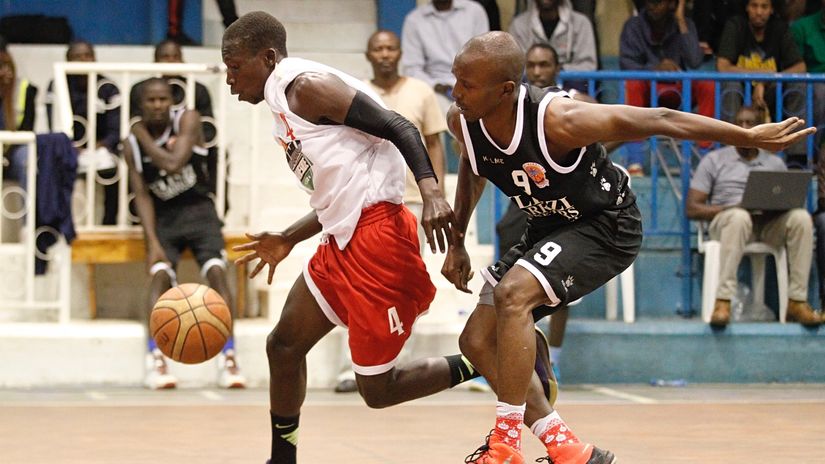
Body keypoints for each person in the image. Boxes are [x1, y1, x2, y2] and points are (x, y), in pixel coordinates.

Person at [442, 31, 815, 463]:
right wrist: (457, 243)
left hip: (607, 225)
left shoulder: (560, 120)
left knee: (512, 295)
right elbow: (474, 165)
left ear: (506, 89)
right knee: (475, 339)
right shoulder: (461, 119)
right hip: (549, 224)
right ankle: (568, 448)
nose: (456, 92)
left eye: (467, 84)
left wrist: (747, 138)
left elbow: (661, 118)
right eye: (456, 79)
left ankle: (505, 444)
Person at [222, 12, 560, 464]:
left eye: (234, 66)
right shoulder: (282, 101)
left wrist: (432, 191)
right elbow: (338, 192)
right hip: (341, 239)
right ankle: (281, 459)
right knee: (283, 345)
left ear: (267, 57)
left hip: (378, 244)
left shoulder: (304, 87)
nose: (228, 79)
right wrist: (288, 237)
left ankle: (487, 357)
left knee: (377, 392)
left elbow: (401, 126)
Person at [331, 29, 449, 393]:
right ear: (368, 55)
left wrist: (437, 195)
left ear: (400, 53)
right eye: (377, 48)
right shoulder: (353, 91)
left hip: (412, 201)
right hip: (363, 205)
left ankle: (397, 363)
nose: (385, 54)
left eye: (390, 48)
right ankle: (351, 367)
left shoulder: (421, 92)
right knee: (352, 286)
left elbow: (434, 144)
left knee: (402, 287)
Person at [122, 78, 246, 390]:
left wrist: (140, 134)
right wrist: (152, 242)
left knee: (218, 274)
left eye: (163, 98)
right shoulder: (131, 144)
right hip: (165, 217)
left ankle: (229, 357)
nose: (158, 105)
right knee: (159, 277)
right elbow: (142, 195)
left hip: (200, 210)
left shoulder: (188, 119)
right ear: (140, 106)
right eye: (150, 101)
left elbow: (175, 164)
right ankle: (156, 360)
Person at [686, 106, 821, 327]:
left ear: (762, 127)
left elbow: (787, 199)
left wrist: (775, 206)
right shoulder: (714, 160)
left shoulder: (774, 162)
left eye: (750, 123)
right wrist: (733, 207)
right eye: (739, 123)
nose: (744, 128)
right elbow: (692, 208)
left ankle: (797, 301)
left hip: (766, 225)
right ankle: (723, 301)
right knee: (739, 217)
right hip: (729, 223)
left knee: (800, 218)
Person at [620, 0, 716, 175]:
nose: (652, 5)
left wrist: (680, 20)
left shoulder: (685, 24)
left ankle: (705, 158)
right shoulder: (633, 25)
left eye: (659, 2)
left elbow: (694, 61)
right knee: (632, 83)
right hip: (649, 92)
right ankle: (635, 162)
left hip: (679, 90)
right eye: (650, 2)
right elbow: (626, 63)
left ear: (672, 3)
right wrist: (655, 70)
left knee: (708, 85)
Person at [130, 40, 223, 205]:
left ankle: (213, 203)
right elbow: (136, 125)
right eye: (165, 57)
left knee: (217, 154)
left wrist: (182, 140)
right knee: (132, 157)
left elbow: (209, 129)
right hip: (152, 146)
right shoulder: (141, 89)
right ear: (155, 62)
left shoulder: (197, 89)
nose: (170, 62)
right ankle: (137, 212)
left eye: (175, 57)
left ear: (182, 60)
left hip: (189, 147)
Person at [46, 41, 121, 225]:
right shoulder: (57, 85)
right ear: (67, 61)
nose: (83, 61)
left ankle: (108, 224)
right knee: (53, 163)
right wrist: (72, 147)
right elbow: (54, 124)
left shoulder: (108, 87)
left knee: (114, 169)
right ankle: (60, 225)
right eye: (77, 57)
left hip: (102, 148)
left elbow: (115, 129)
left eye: (88, 55)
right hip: (69, 147)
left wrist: (99, 146)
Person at [716, 0, 806, 125]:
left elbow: (800, 67)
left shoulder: (779, 28)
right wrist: (761, 74)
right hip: (740, 92)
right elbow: (723, 66)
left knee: (797, 85)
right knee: (731, 85)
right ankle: (730, 142)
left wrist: (765, 81)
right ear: (747, 7)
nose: (759, 12)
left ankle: (795, 141)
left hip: (770, 93)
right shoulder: (736, 25)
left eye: (764, 7)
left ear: (771, 9)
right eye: (754, 6)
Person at [400, 0, 489, 109]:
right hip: (434, 88)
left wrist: (466, 84)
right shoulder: (414, 20)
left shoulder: (474, 11)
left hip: (471, 84)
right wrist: (436, 86)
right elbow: (412, 69)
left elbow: (483, 58)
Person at [508, 0, 598, 76]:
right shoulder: (519, 25)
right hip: (531, 90)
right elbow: (515, 68)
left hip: (569, 89)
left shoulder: (581, 23)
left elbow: (588, 66)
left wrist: (559, 70)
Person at [0, 46, 37, 188]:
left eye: (7, 66)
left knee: (26, 157)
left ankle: (30, 209)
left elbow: (27, 132)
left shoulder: (26, 90)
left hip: (13, 153)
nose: (5, 73)